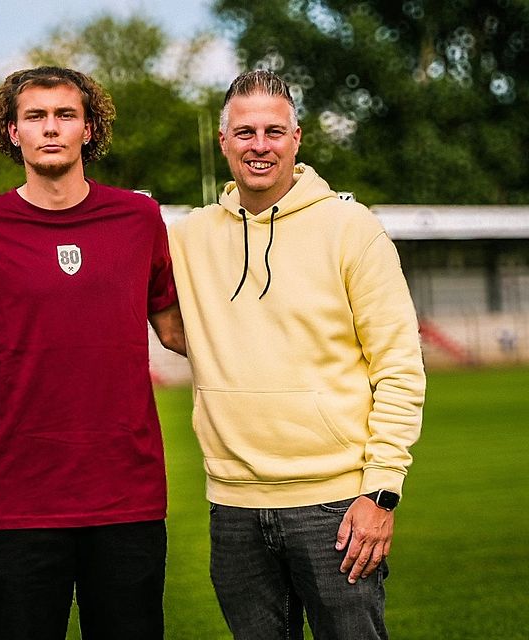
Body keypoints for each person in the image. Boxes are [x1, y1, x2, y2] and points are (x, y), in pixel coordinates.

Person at [0, 66, 186, 640]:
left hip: (127, 496)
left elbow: (177, 331)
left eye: (65, 115)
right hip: (19, 500)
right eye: (35, 116)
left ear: (89, 129)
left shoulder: (139, 219)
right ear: (11, 132)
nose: (50, 128)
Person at [168, 69, 426, 639]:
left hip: (336, 504)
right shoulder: (187, 237)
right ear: (223, 142)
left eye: (273, 131)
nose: (259, 145)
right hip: (231, 505)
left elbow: (400, 367)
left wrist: (382, 491)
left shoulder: (351, 228)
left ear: (297, 138)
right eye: (245, 132)